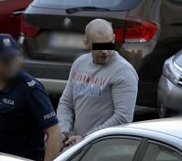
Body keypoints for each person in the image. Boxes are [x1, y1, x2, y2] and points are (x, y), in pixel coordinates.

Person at [58, 19, 138, 147]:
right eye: (98, 46)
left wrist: (86, 137)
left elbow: (123, 117)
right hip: (78, 145)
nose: (105, 51)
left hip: (104, 149)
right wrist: (63, 132)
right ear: (86, 43)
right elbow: (66, 103)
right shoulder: (79, 63)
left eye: (108, 44)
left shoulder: (123, 71)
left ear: (113, 39)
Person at [0, 33, 62, 161]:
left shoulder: (30, 89)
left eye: (12, 58)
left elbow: (55, 133)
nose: (10, 64)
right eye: (4, 60)